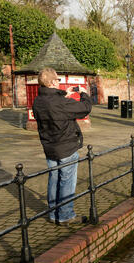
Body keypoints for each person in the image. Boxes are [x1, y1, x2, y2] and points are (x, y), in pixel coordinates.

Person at [32, 68, 92, 225]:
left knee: (54, 179)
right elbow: (85, 108)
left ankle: (53, 214)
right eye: (57, 80)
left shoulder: (38, 101)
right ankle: (65, 215)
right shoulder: (60, 103)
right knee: (66, 181)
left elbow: (53, 105)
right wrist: (84, 93)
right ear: (52, 82)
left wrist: (65, 93)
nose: (59, 82)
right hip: (65, 147)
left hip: (49, 147)